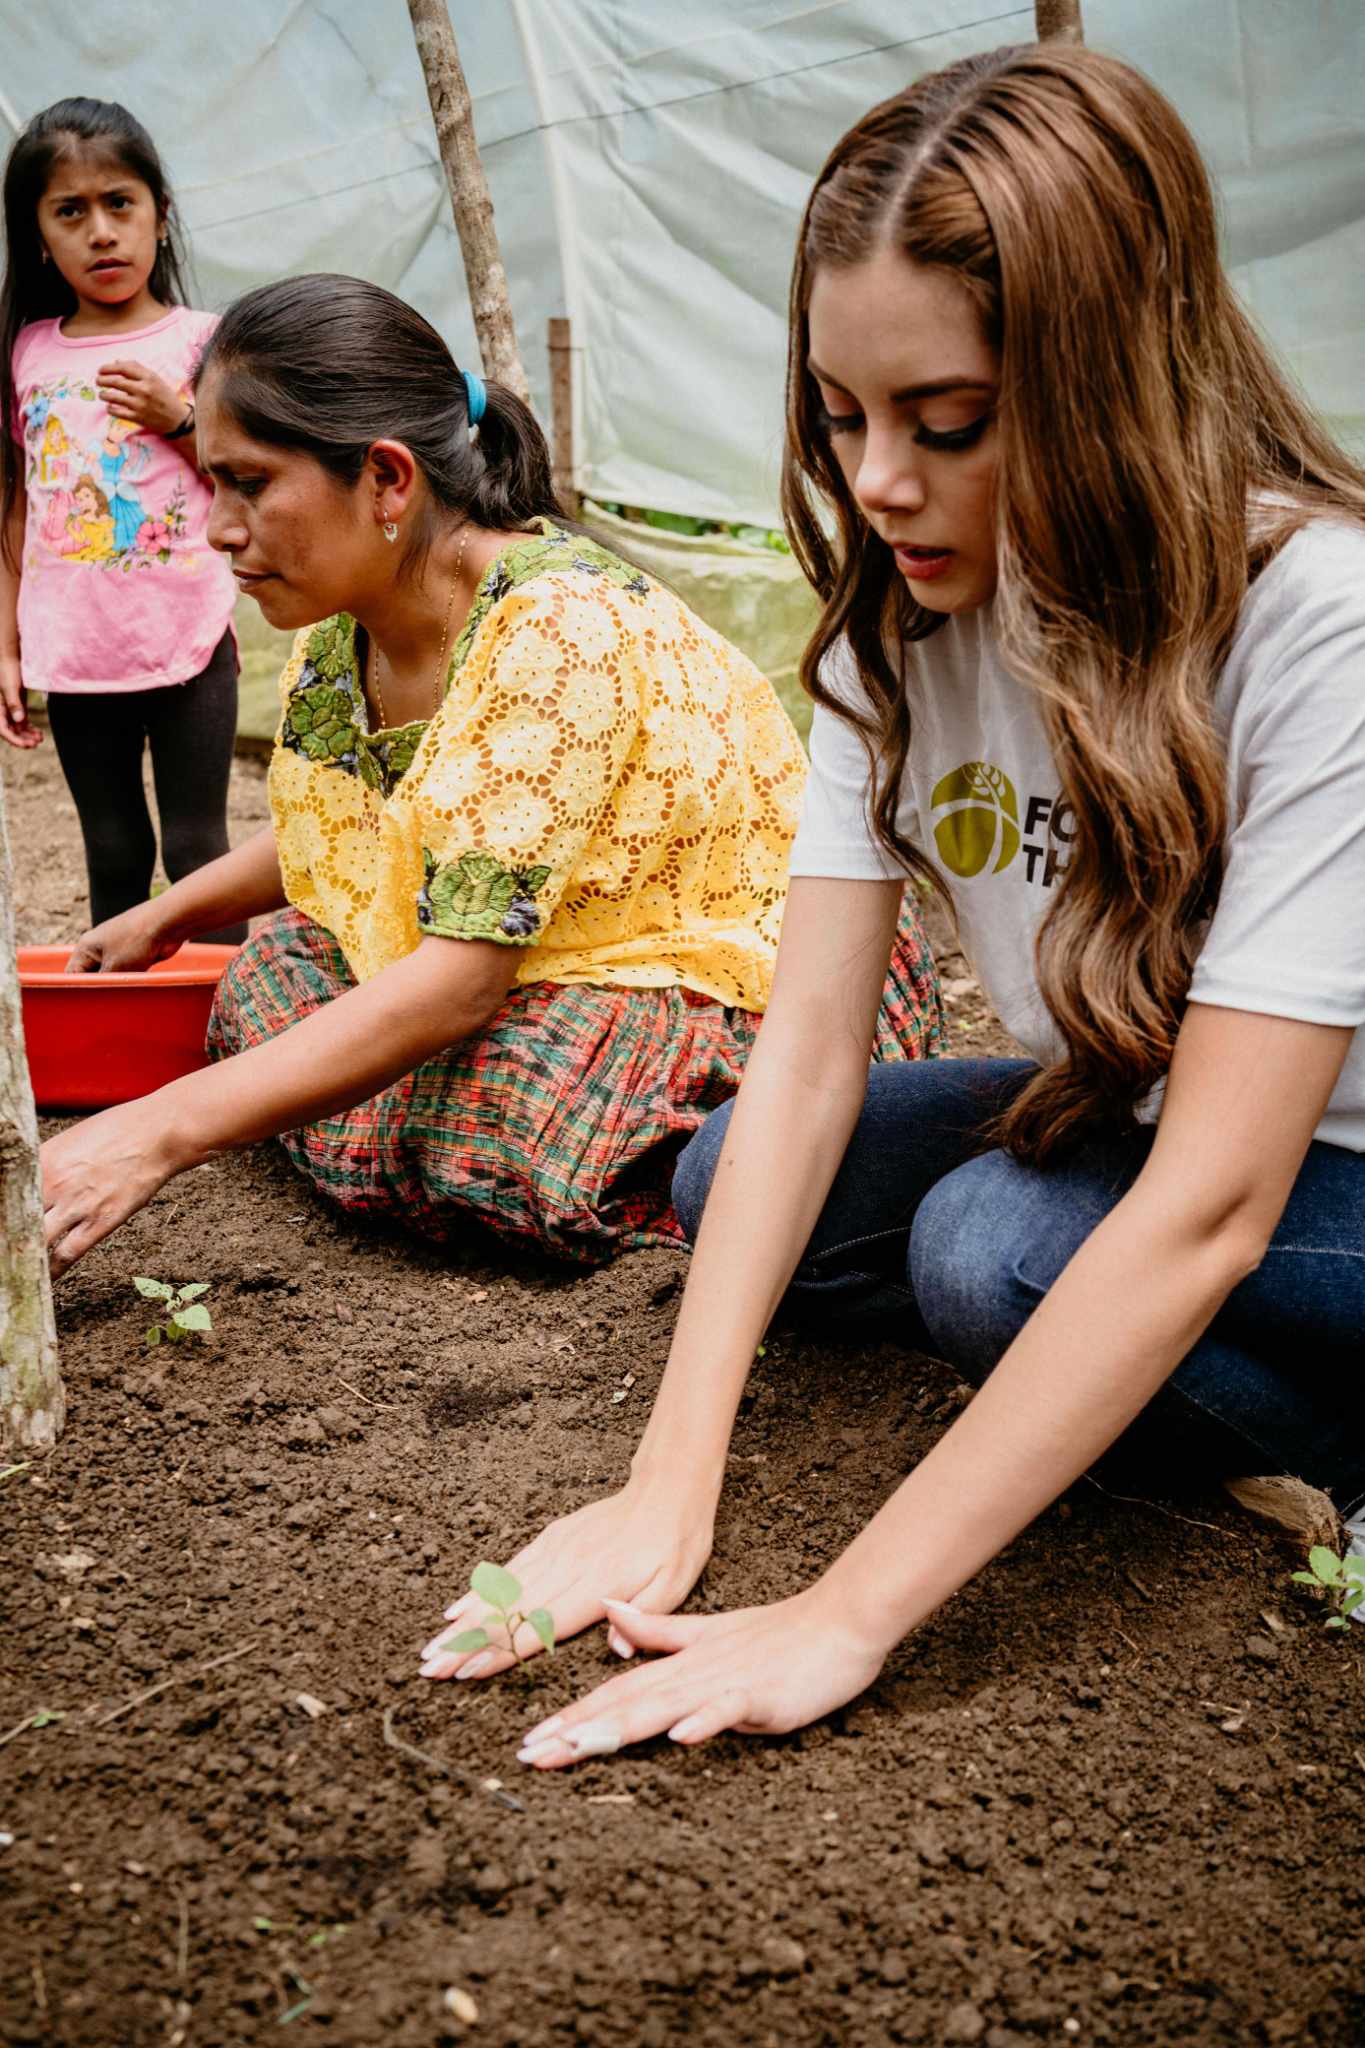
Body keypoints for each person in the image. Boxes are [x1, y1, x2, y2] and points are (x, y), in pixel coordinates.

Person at [422, 43, 1365, 1764]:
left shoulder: (1319, 623)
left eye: (947, 424)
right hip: (1135, 1120)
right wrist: (665, 1489)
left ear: (1111, 384)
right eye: (840, 417)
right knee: (727, 1175)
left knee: (987, 1252)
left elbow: (1218, 1196)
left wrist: (842, 1609)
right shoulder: (901, 626)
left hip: (1325, 1187)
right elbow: (801, 1060)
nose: (878, 483)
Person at [40, 273, 941, 1271]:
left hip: (700, 970)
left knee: (517, 1100)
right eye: (212, 482)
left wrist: (154, 1131)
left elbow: (462, 986)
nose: (217, 526)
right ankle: (403, 1131)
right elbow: (361, 822)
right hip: (513, 943)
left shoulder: (558, 632)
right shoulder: (349, 630)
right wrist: (165, 914)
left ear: (387, 480)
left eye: (248, 482)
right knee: (267, 973)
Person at [0, 98, 242, 938]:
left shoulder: (208, 343)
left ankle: (224, 1030)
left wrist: (180, 420)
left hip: (189, 638)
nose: (100, 232)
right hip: (76, 648)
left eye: (119, 204)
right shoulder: (27, 353)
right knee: (110, 846)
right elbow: (17, 502)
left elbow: (250, 476)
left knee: (195, 848)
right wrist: (7, 643)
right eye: (71, 210)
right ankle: (127, 1031)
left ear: (160, 218)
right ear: (38, 235)